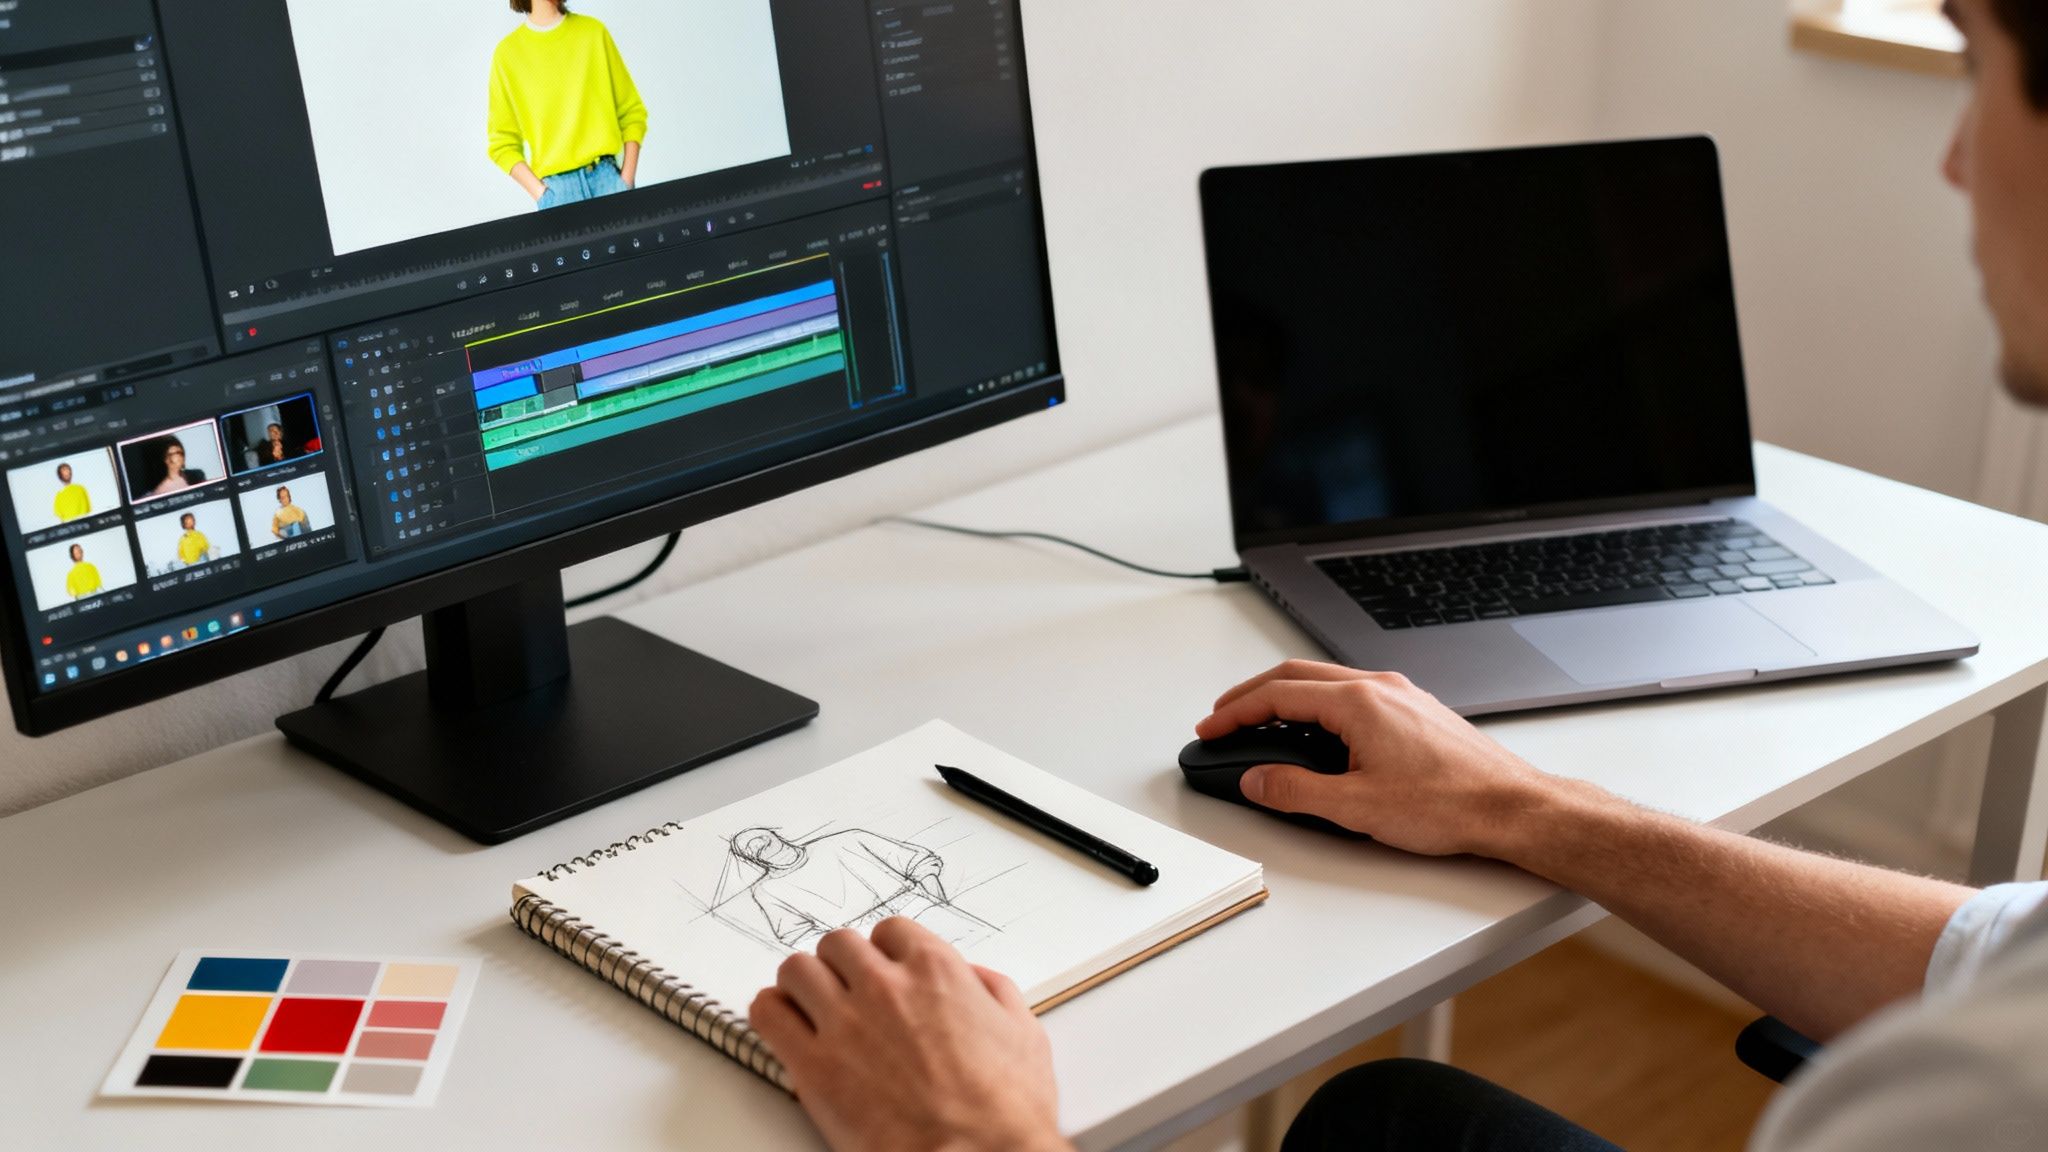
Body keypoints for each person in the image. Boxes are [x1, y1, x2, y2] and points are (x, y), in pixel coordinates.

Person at [747, 2, 2048, 1150]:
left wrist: (975, 1134)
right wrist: (1529, 807)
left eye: (1971, 63)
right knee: (1385, 1116)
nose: (1950, 154)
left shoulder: (1968, 1099)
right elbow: (1996, 956)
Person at [488, 0, 646, 211]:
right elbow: (502, 143)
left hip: (608, 182)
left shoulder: (593, 32)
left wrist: (625, 182)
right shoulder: (507, 54)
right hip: (558, 195)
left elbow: (632, 112)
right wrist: (542, 193)